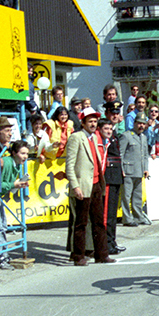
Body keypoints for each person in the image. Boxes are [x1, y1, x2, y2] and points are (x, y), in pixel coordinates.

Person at [65, 107, 115, 266]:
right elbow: (69, 165)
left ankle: (101, 254)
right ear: (83, 123)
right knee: (81, 223)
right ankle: (78, 255)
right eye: (90, 121)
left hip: (96, 185)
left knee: (99, 222)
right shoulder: (76, 138)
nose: (93, 124)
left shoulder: (94, 138)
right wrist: (75, 187)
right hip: (83, 185)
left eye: (95, 121)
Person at [0, 140, 30, 270]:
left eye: (27, 154)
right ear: (13, 153)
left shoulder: (18, 165)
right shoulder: (6, 162)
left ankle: (3, 255)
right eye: (22, 153)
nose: (25, 156)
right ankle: (0, 257)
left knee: (2, 224)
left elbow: (10, 185)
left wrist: (19, 184)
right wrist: (14, 185)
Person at [96, 118, 125, 255]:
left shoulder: (113, 138)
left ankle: (112, 241)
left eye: (110, 128)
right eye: (105, 129)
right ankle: (106, 244)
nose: (109, 131)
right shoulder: (100, 141)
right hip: (108, 177)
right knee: (107, 214)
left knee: (112, 214)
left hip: (115, 176)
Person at [119, 112, 151, 227]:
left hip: (139, 170)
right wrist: (121, 169)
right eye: (139, 123)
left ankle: (138, 217)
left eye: (143, 124)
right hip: (128, 171)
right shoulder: (127, 135)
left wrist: (146, 169)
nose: (141, 126)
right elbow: (121, 154)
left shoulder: (143, 137)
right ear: (134, 123)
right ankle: (127, 218)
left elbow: (145, 155)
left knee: (138, 196)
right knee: (126, 196)